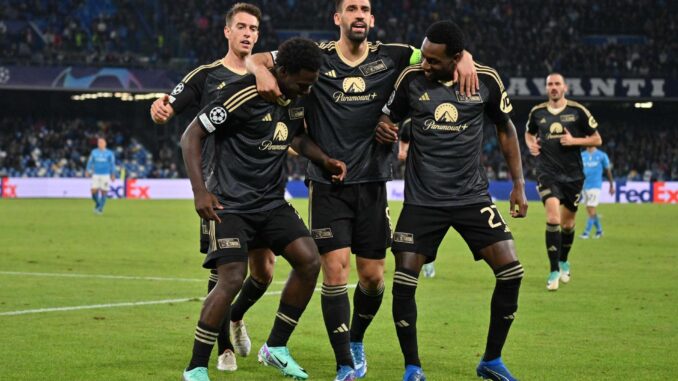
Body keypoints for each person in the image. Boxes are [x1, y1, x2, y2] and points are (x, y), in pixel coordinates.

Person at [245, 1, 478, 379]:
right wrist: (261, 71)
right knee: (334, 272)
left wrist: (466, 57)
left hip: (373, 182)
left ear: (371, 19)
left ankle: (355, 338)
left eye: (364, 8)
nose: (358, 14)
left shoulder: (397, 55)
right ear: (337, 18)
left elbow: (445, 52)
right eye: (351, 8)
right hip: (328, 184)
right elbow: (257, 58)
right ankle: (344, 366)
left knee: (372, 278)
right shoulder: (316, 55)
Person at [180, 38, 346, 381]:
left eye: (312, 83)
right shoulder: (241, 95)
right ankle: (196, 367)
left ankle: (276, 347)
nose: (308, 89)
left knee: (309, 259)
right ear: (281, 72)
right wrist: (200, 192)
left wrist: (324, 160)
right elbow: (191, 136)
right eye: (302, 82)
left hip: (270, 203)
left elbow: (295, 137)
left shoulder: (297, 97)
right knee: (231, 279)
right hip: (231, 204)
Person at [376, 20, 528, 381]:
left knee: (512, 272)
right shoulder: (410, 79)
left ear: (457, 58)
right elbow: (386, 116)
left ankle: (491, 360)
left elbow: (506, 128)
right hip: (422, 201)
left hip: (471, 196)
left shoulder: (486, 80)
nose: (425, 65)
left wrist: (519, 184)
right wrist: (383, 126)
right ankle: (412, 366)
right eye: (424, 57)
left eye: (433, 60)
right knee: (404, 280)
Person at [150, 3, 274, 371]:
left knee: (265, 269)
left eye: (253, 28)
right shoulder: (206, 76)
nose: (248, 33)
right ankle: (224, 350)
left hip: (262, 188)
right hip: (220, 189)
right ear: (227, 32)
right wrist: (159, 109)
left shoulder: (265, 76)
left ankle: (235, 318)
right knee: (223, 273)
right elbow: (167, 105)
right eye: (241, 27)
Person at [525, 73, 602, 291]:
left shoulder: (578, 111)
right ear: (546, 88)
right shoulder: (537, 113)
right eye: (550, 84)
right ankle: (553, 271)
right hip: (547, 172)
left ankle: (563, 259)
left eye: (557, 84)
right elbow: (529, 134)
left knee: (568, 224)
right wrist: (531, 145)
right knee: (553, 218)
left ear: (565, 88)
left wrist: (574, 140)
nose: (553, 87)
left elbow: (597, 139)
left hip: (573, 175)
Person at [398, 120, 435, 279]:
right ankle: (419, 261)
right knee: (418, 221)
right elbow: (404, 140)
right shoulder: (409, 124)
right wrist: (403, 151)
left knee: (431, 220)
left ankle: (427, 260)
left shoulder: (436, 120)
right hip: (415, 179)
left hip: (435, 176)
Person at [580, 147, 614, 239]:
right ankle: (599, 231)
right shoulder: (582, 155)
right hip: (584, 186)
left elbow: (608, 170)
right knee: (590, 210)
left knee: (591, 209)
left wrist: (611, 185)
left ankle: (586, 233)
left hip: (595, 186)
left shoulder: (602, 155)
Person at [85, 137, 115, 214]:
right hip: (96, 174)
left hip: (105, 175)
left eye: (102, 142)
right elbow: (90, 162)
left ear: (105, 143)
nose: (100, 144)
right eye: (99, 142)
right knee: (93, 191)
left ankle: (100, 208)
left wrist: (113, 174)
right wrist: (87, 170)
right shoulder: (94, 152)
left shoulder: (110, 153)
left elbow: (112, 164)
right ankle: (98, 204)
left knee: (104, 192)